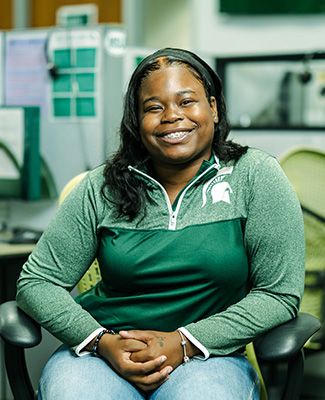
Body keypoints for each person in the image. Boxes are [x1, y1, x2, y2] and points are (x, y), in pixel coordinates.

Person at [16, 48, 305, 400]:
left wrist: (184, 342)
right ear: (136, 121)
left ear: (212, 108)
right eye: (154, 107)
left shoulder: (254, 176)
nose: (172, 117)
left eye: (187, 102)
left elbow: (278, 294)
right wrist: (100, 342)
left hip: (208, 355)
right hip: (104, 353)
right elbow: (37, 282)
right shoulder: (100, 186)